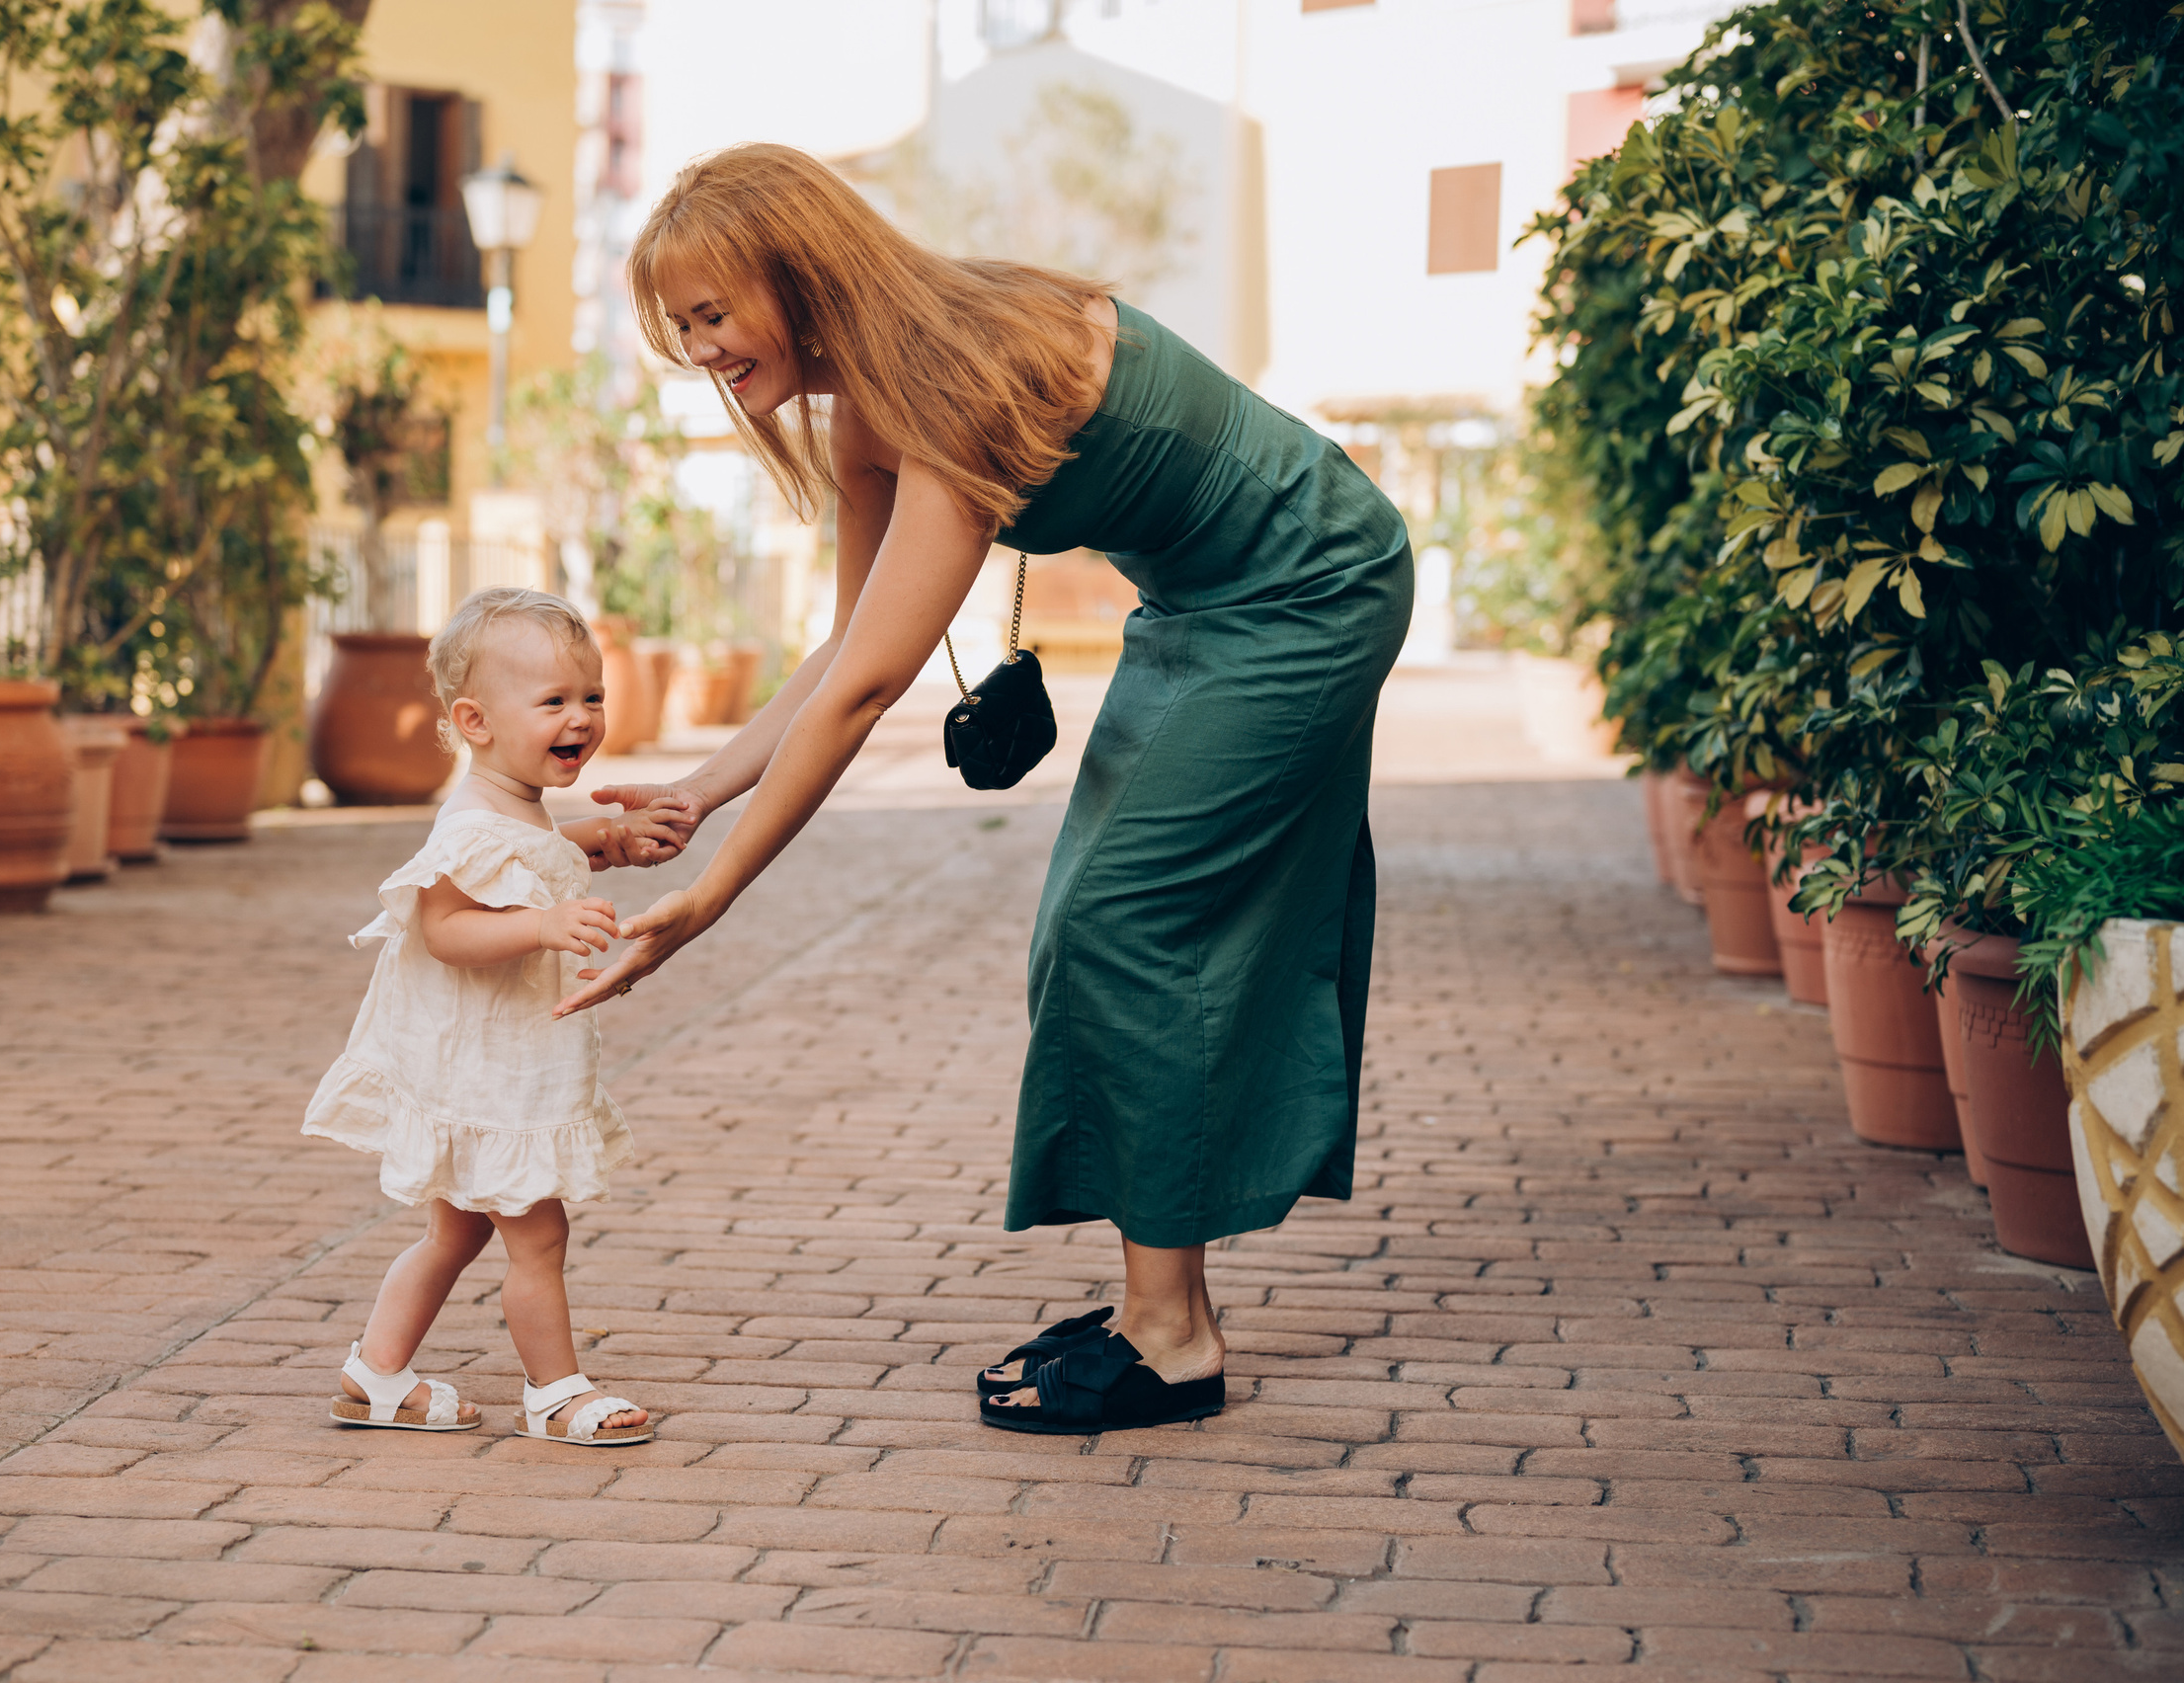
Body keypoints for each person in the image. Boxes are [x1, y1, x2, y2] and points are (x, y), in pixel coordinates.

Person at [576, 143, 1412, 1435]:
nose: (699, 351)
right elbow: (843, 646)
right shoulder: (870, 405)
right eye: (680, 326)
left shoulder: (949, 383)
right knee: (1097, 925)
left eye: (712, 313)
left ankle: (1171, 1340)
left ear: (797, 276)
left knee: (1124, 926)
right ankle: (1161, 1307)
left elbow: (869, 690)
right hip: (1200, 606)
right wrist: (695, 795)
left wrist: (715, 897)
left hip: (1309, 592)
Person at [301, 588, 692, 1447]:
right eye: (553, 701)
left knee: (455, 1232)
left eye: (591, 696)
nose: (581, 718)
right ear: (474, 721)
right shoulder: (469, 826)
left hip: (488, 1065)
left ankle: (376, 1373)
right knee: (539, 1234)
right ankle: (555, 1393)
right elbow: (446, 929)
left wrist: (608, 840)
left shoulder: (511, 805)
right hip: (487, 1074)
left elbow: (537, 854)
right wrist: (542, 926)